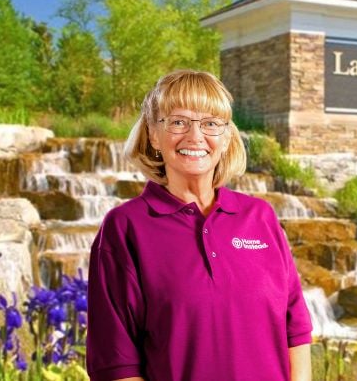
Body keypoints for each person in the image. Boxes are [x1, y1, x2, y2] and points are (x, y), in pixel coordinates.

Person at [86, 69, 313, 381]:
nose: (195, 137)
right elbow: (115, 362)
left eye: (210, 124)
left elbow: (296, 329)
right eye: (178, 121)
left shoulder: (260, 217)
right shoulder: (125, 228)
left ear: (226, 136)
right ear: (153, 133)